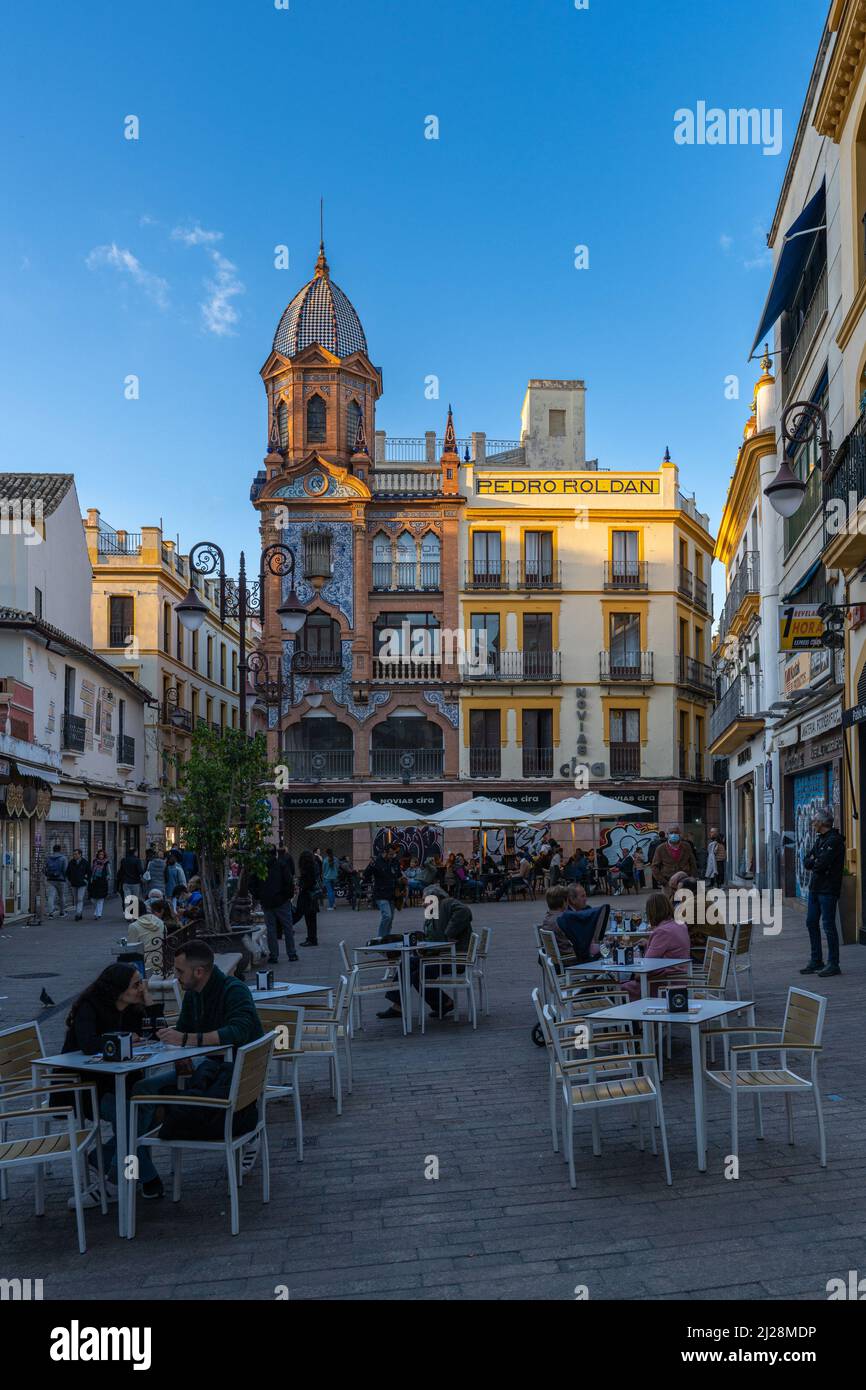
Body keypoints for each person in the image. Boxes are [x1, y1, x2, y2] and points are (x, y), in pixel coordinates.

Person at [130, 940, 264, 1169]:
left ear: (199, 972)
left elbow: (238, 1031)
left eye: (180, 971)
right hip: (205, 1069)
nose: (176, 976)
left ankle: (127, 1166)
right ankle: (141, 1168)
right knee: (142, 1089)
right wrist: (178, 1046)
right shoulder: (193, 993)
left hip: (235, 1074)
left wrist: (185, 1040)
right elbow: (183, 1030)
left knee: (144, 1104)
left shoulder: (233, 989)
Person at [62, 963, 162, 1203]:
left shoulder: (133, 1009)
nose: (141, 988)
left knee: (145, 1110)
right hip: (89, 1088)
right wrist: (124, 1040)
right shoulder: (90, 1006)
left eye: (141, 983)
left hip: (127, 1084)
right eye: (136, 984)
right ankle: (134, 1179)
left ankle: (106, 1160)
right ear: (118, 989)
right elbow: (87, 1043)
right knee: (131, 1115)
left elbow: (159, 1034)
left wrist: (149, 1002)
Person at [377, 885, 472, 1021]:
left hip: (454, 957)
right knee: (407, 964)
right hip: (440, 955)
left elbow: (464, 911)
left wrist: (449, 932)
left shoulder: (447, 903)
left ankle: (444, 1003)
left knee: (418, 974)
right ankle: (398, 1006)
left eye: (424, 899)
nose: (422, 903)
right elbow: (432, 937)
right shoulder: (432, 912)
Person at [620, 891, 690, 1000]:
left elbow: (646, 966)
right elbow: (672, 950)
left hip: (663, 984)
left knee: (619, 989)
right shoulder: (680, 925)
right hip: (679, 979)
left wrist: (635, 956)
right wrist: (648, 944)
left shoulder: (662, 931)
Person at [801, 807, 844, 978]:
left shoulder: (834, 840)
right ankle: (816, 960)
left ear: (821, 823)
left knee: (828, 926)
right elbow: (806, 859)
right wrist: (814, 861)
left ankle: (833, 963)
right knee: (811, 922)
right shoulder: (820, 840)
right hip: (815, 888)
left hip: (828, 890)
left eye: (814, 821)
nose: (812, 823)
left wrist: (814, 862)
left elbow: (821, 864)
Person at [250, 844, 297, 963]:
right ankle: (291, 953)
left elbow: (252, 883)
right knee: (288, 927)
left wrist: (259, 896)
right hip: (282, 901)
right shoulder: (281, 864)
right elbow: (289, 881)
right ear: (275, 853)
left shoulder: (259, 867)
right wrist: (287, 896)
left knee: (271, 929)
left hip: (267, 902)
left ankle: (274, 956)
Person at [556, 883, 603, 963]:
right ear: (572, 899)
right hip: (577, 960)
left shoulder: (582, 911)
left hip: (578, 955)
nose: (586, 899)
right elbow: (584, 945)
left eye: (585, 895)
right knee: (613, 949)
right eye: (582, 896)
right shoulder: (569, 917)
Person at [363, 846, 400, 939]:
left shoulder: (394, 861)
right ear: (385, 852)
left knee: (390, 919)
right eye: (391, 854)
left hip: (392, 894)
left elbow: (398, 875)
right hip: (381, 893)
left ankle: (386, 937)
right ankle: (380, 938)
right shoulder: (376, 862)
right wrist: (370, 865)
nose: (392, 856)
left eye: (394, 854)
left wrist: (401, 883)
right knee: (387, 916)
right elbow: (366, 875)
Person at [650, 826, 697, 893]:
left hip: (685, 882)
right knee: (668, 902)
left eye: (676, 832)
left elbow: (692, 862)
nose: (674, 834)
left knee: (685, 902)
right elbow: (654, 866)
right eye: (671, 833)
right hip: (668, 883)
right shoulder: (660, 848)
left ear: (680, 834)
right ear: (667, 834)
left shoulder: (686, 846)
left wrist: (692, 877)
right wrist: (663, 881)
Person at [295, 848, 321, 946]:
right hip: (313, 897)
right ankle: (312, 938)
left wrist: (302, 886)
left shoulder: (307, 868)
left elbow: (308, 883)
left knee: (309, 919)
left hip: (308, 897)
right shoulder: (314, 865)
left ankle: (311, 939)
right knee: (312, 919)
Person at [65, 848, 91, 920]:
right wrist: (70, 880)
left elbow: (89, 872)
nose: (74, 855)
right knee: (76, 899)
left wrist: (86, 880)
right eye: (74, 854)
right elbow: (68, 872)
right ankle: (80, 913)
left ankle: (78, 913)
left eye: (76, 854)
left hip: (82, 884)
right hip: (73, 883)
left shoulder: (85, 862)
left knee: (80, 899)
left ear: (80, 854)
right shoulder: (71, 862)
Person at [45, 842, 68, 918]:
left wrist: (47, 875)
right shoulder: (63, 858)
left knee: (51, 896)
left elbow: (45, 868)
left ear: (53, 850)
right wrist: (65, 878)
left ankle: (50, 913)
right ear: (60, 850)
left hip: (50, 879)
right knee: (61, 896)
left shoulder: (48, 858)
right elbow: (65, 869)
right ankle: (62, 912)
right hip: (61, 880)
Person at [88, 849, 111, 919]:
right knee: (93, 899)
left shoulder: (107, 862)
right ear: (98, 855)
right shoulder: (95, 861)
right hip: (95, 882)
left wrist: (107, 878)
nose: (101, 856)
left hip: (102, 882)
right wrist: (91, 878)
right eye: (100, 854)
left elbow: (109, 873)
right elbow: (92, 870)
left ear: (104, 855)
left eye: (102, 855)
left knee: (101, 899)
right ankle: (97, 911)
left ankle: (98, 914)